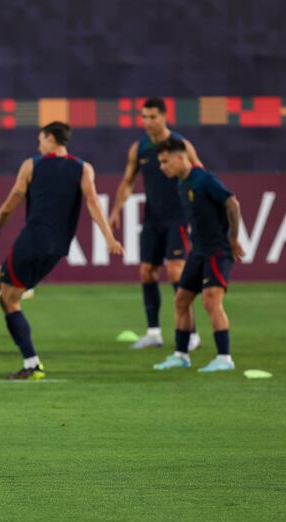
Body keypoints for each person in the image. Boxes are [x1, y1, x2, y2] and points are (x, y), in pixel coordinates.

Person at [0, 122, 123, 378]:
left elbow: (9, 204)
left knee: (9, 300)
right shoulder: (84, 168)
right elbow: (93, 204)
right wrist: (109, 237)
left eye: (40, 138)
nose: (38, 143)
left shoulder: (32, 165)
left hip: (32, 240)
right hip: (58, 248)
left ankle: (32, 364)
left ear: (50, 137)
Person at [108, 98, 203, 350]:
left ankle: (191, 333)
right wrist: (116, 209)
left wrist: (198, 212)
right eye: (144, 117)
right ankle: (154, 333)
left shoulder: (181, 144)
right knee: (147, 272)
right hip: (153, 217)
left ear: (164, 116)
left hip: (179, 216)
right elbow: (128, 181)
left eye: (152, 117)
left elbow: (199, 176)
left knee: (175, 270)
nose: (147, 122)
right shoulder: (139, 148)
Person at [152, 138, 244, 372]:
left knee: (211, 301)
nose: (162, 167)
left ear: (181, 158)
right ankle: (181, 355)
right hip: (198, 252)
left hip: (216, 251)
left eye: (165, 161)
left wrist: (233, 239)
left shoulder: (204, 179)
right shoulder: (182, 184)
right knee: (181, 300)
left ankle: (224, 358)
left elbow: (232, 203)